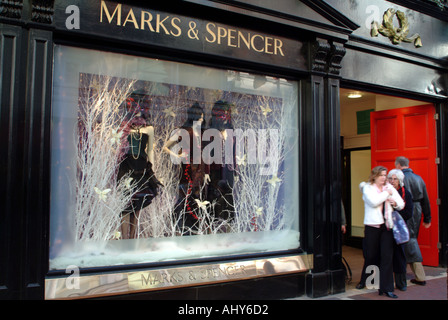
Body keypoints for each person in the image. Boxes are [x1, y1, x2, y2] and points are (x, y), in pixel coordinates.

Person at [357, 166, 404, 298]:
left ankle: (387, 288)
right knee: (371, 255)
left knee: (387, 257)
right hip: (372, 226)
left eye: (385, 175)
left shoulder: (389, 187)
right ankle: (365, 280)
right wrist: (387, 194)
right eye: (381, 175)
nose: (384, 178)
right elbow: (373, 202)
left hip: (387, 226)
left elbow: (401, 204)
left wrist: (395, 202)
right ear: (374, 176)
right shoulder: (368, 188)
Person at [163, 102, 210, 234]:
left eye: (202, 116)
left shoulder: (201, 133)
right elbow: (165, 147)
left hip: (199, 169)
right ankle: (178, 225)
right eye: (200, 116)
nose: (202, 119)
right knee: (185, 197)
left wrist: (205, 172)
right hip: (187, 168)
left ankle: (192, 227)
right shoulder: (183, 131)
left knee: (196, 197)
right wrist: (176, 155)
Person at [395, 156, 431, 285]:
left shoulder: (399, 178)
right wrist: (427, 218)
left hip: (403, 209)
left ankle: (418, 275)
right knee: (410, 238)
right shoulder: (418, 178)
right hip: (417, 210)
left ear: (398, 165)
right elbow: (425, 199)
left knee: (407, 240)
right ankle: (407, 275)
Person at [387, 169, 413, 291]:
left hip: (398, 230)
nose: (392, 181)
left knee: (399, 256)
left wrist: (395, 209)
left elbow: (409, 213)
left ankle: (401, 283)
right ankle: (380, 282)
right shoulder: (384, 191)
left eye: (395, 179)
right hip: (386, 229)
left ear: (400, 180)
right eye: (390, 178)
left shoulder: (405, 194)